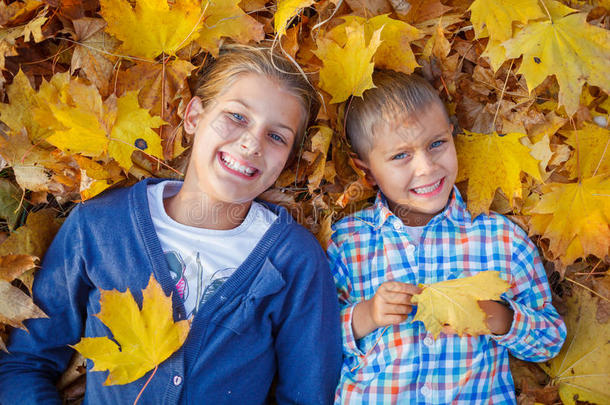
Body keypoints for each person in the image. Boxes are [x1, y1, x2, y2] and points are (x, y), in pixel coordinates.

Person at [0, 45, 342, 404]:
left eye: (277, 136)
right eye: (238, 117)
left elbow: (308, 394)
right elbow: (24, 362)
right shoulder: (100, 226)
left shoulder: (294, 261)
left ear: (286, 159)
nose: (251, 142)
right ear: (193, 116)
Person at [327, 70, 566, 404]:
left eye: (436, 144)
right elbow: (312, 344)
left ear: (452, 136)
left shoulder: (501, 240)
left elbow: (550, 339)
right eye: (401, 156)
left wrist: (497, 317)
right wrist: (367, 315)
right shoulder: (348, 242)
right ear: (366, 171)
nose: (426, 167)